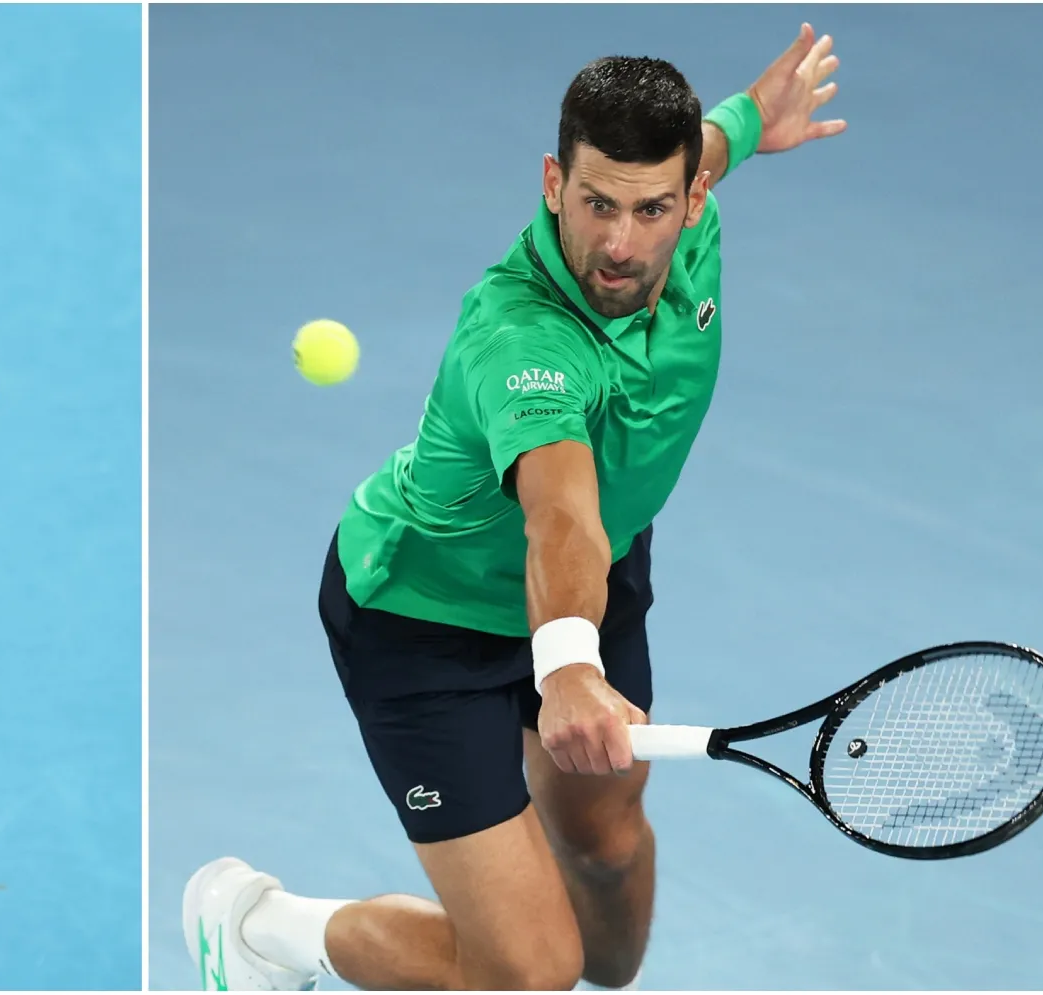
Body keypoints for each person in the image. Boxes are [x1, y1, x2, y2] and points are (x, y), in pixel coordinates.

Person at [183, 24, 846, 992]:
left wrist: (748, 116)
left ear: (691, 200)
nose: (619, 243)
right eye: (595, 205)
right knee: (534, 971)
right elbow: (561, 511)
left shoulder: (685, 206)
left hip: (599, 575)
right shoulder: (520, 333)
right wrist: (569, 665)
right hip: (424, 619)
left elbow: (706, 141)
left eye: (651, 208)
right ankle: (258, 923)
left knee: (610, 905)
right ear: (551, 183)